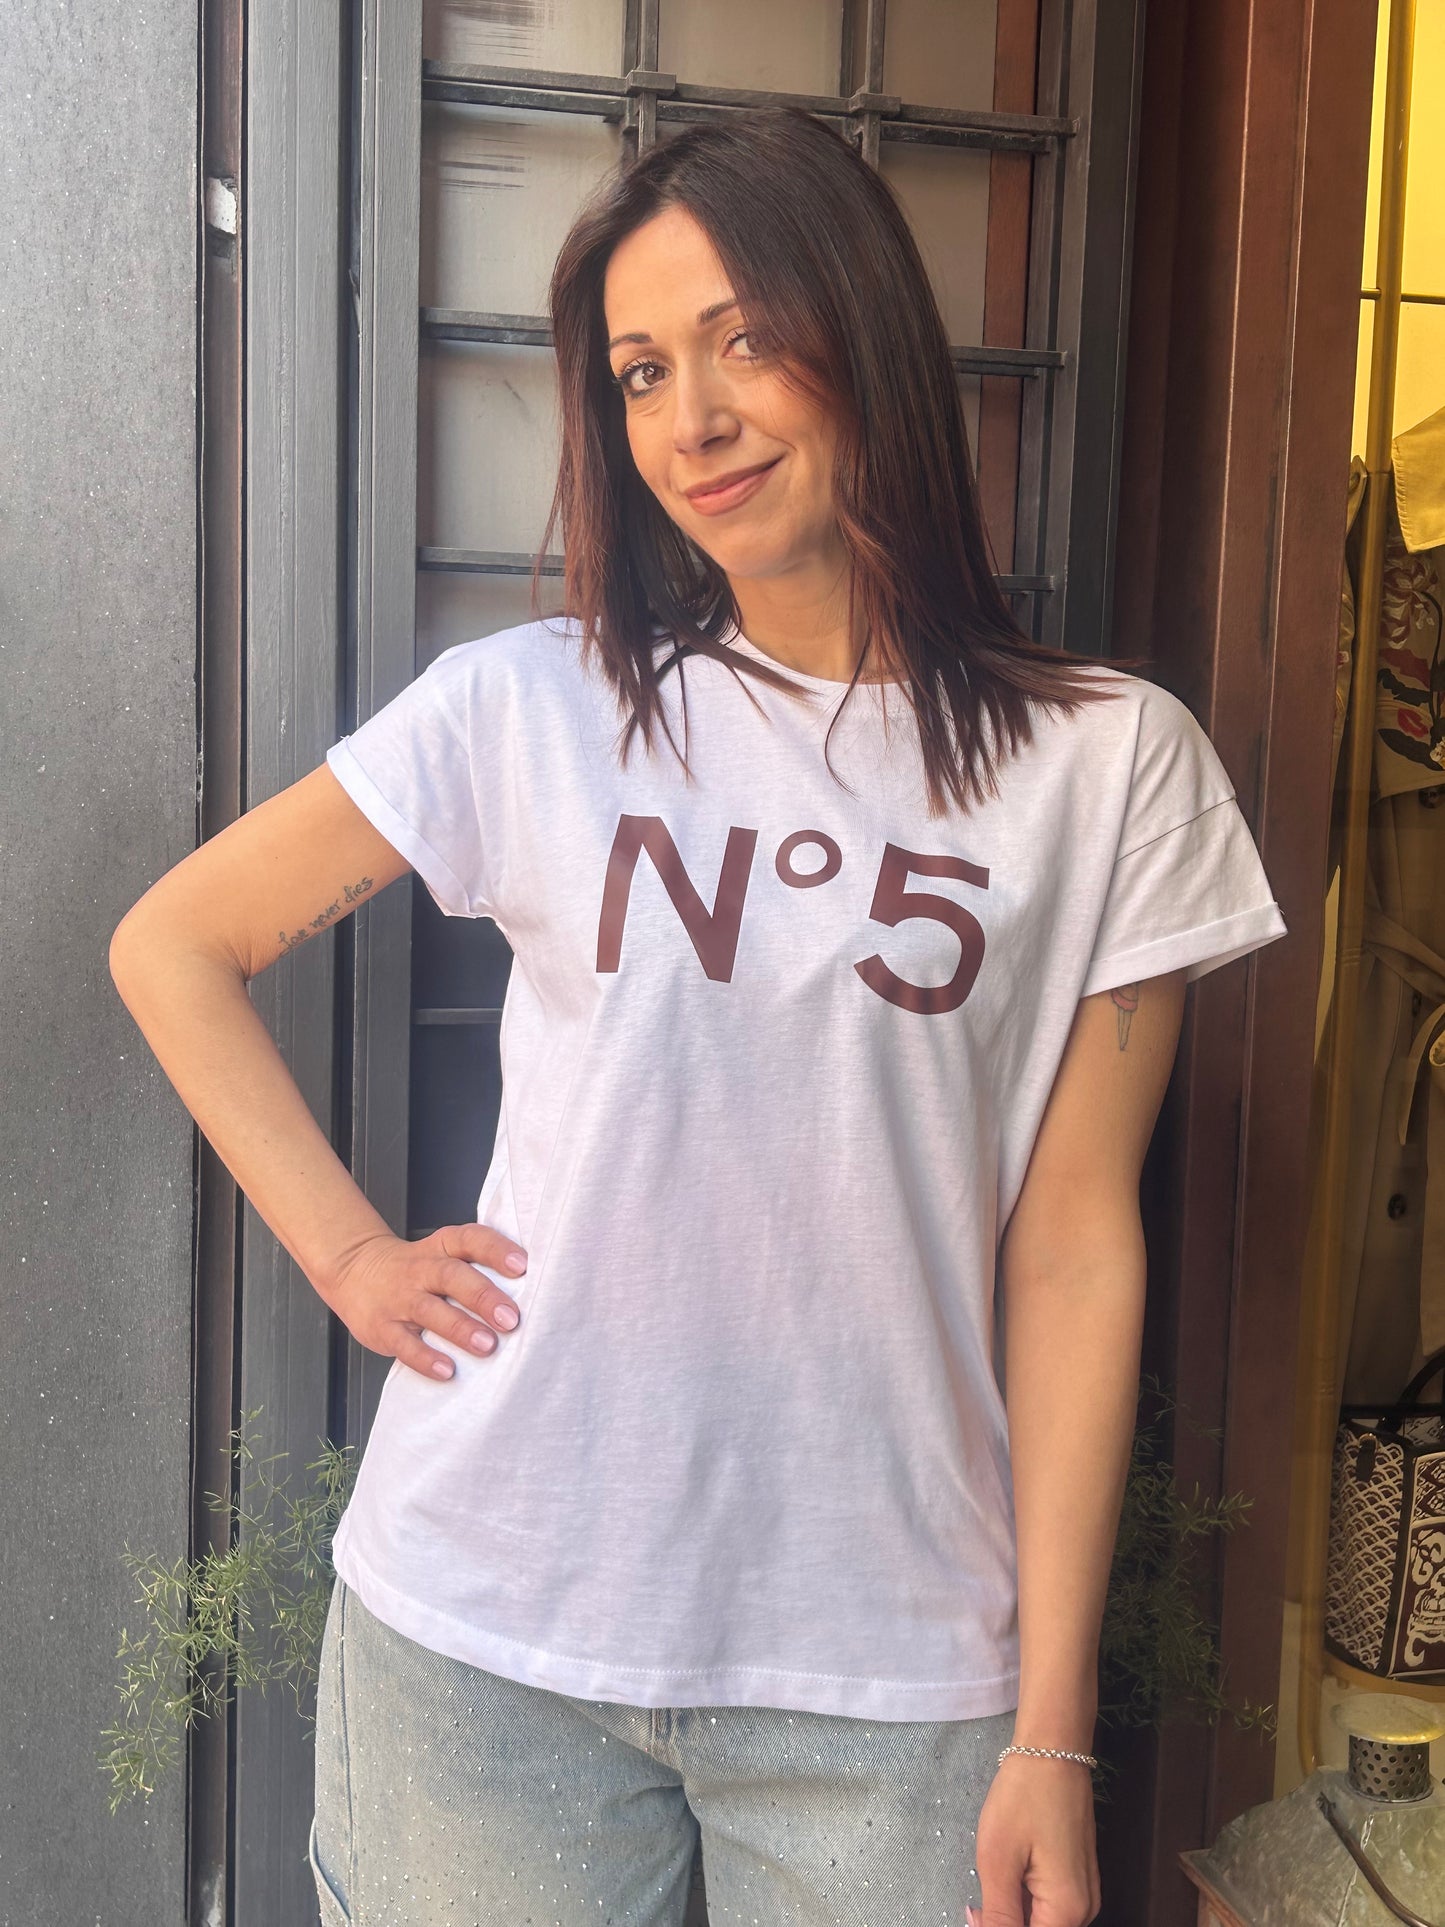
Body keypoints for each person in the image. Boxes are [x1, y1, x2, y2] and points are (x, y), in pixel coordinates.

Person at [109, 106, 1288, 1927]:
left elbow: (1069, 1251)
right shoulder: (529, 708)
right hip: (488, 1630)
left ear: (864, 333)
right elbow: (175, 944)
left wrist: (1051, 1730)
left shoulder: (1108, 764)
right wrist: (349, 1256)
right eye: (643, 371)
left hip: (887, 1666)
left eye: (745, 340)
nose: (692, 420)